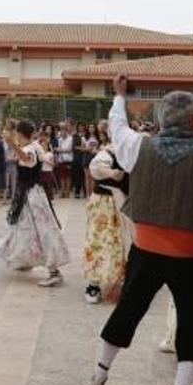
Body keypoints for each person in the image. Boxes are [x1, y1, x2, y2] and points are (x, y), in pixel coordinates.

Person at [86, 76, 193, 385]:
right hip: (191, 255)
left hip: (146, 248)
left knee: (128, 311)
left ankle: (99, 375)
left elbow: (117, 127)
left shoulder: (140, 146)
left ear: (162, 119)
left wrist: (120, 96)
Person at [0, 120, 71, 287]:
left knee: (41, 230)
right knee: (24, 229)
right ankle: (24, 260)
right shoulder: (35, 145)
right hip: (30, 193)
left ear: (20, 134)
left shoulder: (30, 148)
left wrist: (12, 145)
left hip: (31, 196)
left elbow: (27, 159)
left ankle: (54, 271)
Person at [82, 130, 131, 305]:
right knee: (99, 239)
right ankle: (93, 284)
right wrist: (111, 173)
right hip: (104, 203)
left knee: (123, 242)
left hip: (122, 203)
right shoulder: (107, 153)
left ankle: (122, 280)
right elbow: (96, 168)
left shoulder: (131, 153)